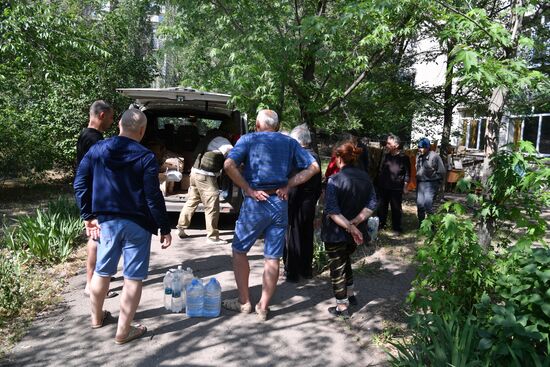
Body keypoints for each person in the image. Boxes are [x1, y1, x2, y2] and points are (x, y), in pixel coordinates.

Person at [74, 109, 172, 345]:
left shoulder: (98, 149)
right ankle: (123, 331)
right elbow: (152, 197)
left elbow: (80, 183)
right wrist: (164, 227)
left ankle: (96, 318)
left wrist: (88, 215)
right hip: (137, 224)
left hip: (105, 222)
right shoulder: (146, 156)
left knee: (102, 271)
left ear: (119, 124)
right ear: (142, 130)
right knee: (133, 277)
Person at [222, 109, 320, 321]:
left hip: (255, 204)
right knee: (272, 256)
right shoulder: (290, 142)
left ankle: (244, 302)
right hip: (279, 202)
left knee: (239, 251)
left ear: (257, 125)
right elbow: (314, 167)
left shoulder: (248, 139)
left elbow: (228, 164)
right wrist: (289, 184)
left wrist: (247, 189)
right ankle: (263, 307)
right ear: (276, 126)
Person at [321, 141, 377, 318]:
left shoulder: (334, 180)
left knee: (337, 268)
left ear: (338, 158)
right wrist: (355, 223)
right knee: (345, 261)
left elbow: (332, 210)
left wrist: (350, 226)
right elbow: (372, 203)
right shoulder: (366, 178)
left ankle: (342, 307)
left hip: (336, 233)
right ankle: (351, 295)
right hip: (355, 233)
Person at [76, 100, 117, 298]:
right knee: (96, 237)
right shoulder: (94, 140)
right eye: (110, 117)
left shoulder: (87, 135)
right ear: (102, 115)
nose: (111, 121)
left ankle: (100, 276)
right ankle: (91, 284)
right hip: (94, 195)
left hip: (93, 194)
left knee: (97, 237)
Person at [177, 128, 233, 245]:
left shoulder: (208, 138)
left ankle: (181, 227)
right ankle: (212, 237)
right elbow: (233, 156)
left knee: (192, 200)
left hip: (195, 173)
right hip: (206, 176)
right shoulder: (222, 141)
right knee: (212, 205)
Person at [284, 124, 322, 282]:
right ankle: (306, 270)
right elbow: (319, 182)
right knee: (306, 234)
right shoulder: (315, 155)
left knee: (293, 235)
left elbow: (292, 180)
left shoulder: (298, 156)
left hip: (297, 200)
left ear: (297, 140)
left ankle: (293, 273)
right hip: (310, 201)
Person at [377, 134, 410, 233]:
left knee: (396, 208)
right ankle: (381, 225)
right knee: (382, 207)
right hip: (383, 186)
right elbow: (382, 170)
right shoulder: (386, 156)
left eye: (388, 143)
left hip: (396, 187)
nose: (386, 145)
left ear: (396, 145)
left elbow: (408, 174)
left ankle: (396, 228)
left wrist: (405, 186)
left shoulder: (404, 158)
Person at [416, 137, 446, 226]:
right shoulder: (419, 156)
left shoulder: (435, 156)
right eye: (419, 147)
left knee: (428, 205)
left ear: (428, 147)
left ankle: (432, 226)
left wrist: (436, 182)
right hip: (420, 183)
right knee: (420, 205)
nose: (420, 149)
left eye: (422, 147)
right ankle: (421, 225)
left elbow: (442, 172)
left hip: (431, 184)